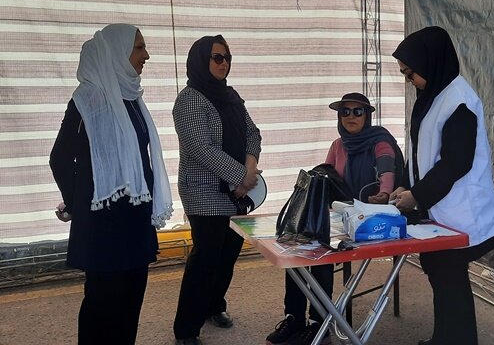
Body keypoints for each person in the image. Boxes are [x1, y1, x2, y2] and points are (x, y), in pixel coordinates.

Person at [50, 24, 174, 345]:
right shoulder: (88, 99)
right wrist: (77, 203)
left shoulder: (132, 97)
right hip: (103, 227)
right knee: (101, 307)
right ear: (115, 52)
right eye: (139, 48)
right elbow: (60, 159)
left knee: (130, 304)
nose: (146, 55)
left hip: (135, 221)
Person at [389, 26, 494, 345]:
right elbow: (420, 152)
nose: (409, 80)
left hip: (461, 210)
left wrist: (417, 195)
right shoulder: (432, 97)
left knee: (449, 279)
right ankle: (445, 338)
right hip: (440, 208)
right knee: (442, 275)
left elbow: (456, 162)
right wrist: (405, 186)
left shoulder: (459, 101)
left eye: (411, 73)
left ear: (432, 62)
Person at [266, 92, 403, 345]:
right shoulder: (338, 145)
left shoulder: (380, 142)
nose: (351, 116)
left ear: (367, 116)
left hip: (371, 221)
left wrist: (383, 194)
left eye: (357, 111)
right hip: (341, 217)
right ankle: (294, 318)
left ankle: (319, 324)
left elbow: (387, 174)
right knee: (298, 246)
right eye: (345, 112)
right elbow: (326, 178)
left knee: (322, 254)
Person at [172, 35, 262, 345]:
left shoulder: (230, 95)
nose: (224, 63)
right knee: (206, 258)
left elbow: (253, 133)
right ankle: (186, 328)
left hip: (238, 190)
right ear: (201, 60)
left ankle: (214, 306)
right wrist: (242, 177)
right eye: (217, 57)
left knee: (228, 254)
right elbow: (201, 148)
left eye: (227, 58)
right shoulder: (189, 99)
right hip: (204, 192)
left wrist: (249, 169)